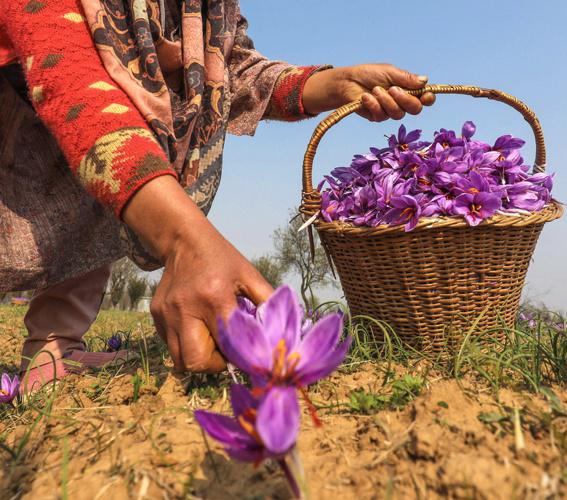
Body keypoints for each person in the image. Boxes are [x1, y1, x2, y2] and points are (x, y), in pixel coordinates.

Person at [0, 0, 434, 390]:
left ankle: (55, 346)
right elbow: (77, 91)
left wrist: (334, 83)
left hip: (115, 134)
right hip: (28, 118)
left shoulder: (206, 7)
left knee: (123, 185)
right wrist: (185, 239)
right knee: (120, 169)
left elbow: (233, 70)